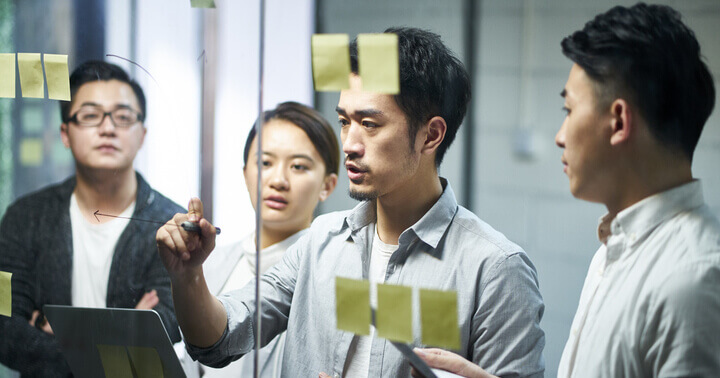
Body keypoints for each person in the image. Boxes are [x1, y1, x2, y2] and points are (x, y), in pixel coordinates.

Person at [157, 27, 545, 378]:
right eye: (345, 121)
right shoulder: (321, 242)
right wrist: (188, 276)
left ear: (431, 136)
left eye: (370, 124)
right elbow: (221, 338)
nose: (349, 145)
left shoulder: (494, 269)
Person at [414, 3, 720, 377]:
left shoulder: (692, 281)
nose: (560, 137)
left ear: (619, 120)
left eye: (569, 110)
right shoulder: (619, 247)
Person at [0, 61, 184, 377]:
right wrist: (120, 336)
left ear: (142, 135)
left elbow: (168, 327)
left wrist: (65, 338)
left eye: (123, 117)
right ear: (65, 134)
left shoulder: (170, 223)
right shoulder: (25, 217)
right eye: (89, 115)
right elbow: (5, 327)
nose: (108, 128)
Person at [199, 101, 339, 377]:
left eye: (298, 166)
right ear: (245, 174)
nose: (278, 180)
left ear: (328, 186)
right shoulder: (209, 264)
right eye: (264, 162)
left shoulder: (334, 274)